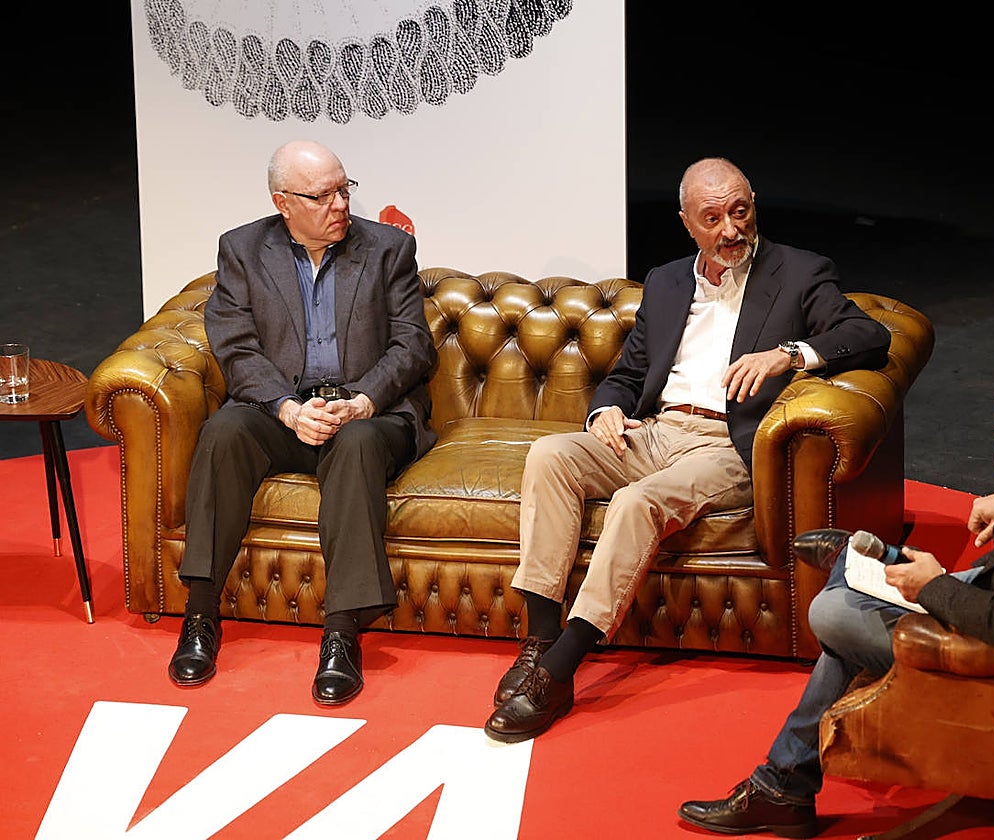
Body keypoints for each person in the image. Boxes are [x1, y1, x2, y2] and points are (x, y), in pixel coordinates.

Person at [677, 313, 994, 837]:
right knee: (855, 599)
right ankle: (785, 779)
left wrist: (932, 585)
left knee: (833, 614)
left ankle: (866, 568)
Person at [483, 157, 893, 743]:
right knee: (551, 456)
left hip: (728, 442)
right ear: (687, 224)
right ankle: (540, 639)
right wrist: (606, 411)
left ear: (753, 205)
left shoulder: (799, 271)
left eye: (740, 212)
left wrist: (789, 354)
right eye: (713, 218)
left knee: (637, 502)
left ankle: (561, 668)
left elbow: (868, 335)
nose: (731, 229)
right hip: (656, 429)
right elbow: (630, 373)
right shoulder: (667, 281)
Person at [166, 139, 437, 706]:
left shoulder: (388, 248)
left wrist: (362, 400)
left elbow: (412, 345)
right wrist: (287, 409)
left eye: (344, 189)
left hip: (368, 415)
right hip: (285, 411)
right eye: (322, 195)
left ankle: (341, 633)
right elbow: (236, 348)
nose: (340, 204)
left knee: (356, 443)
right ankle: (200, 615)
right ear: (283, 202)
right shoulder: (243, 249)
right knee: (223, 432)